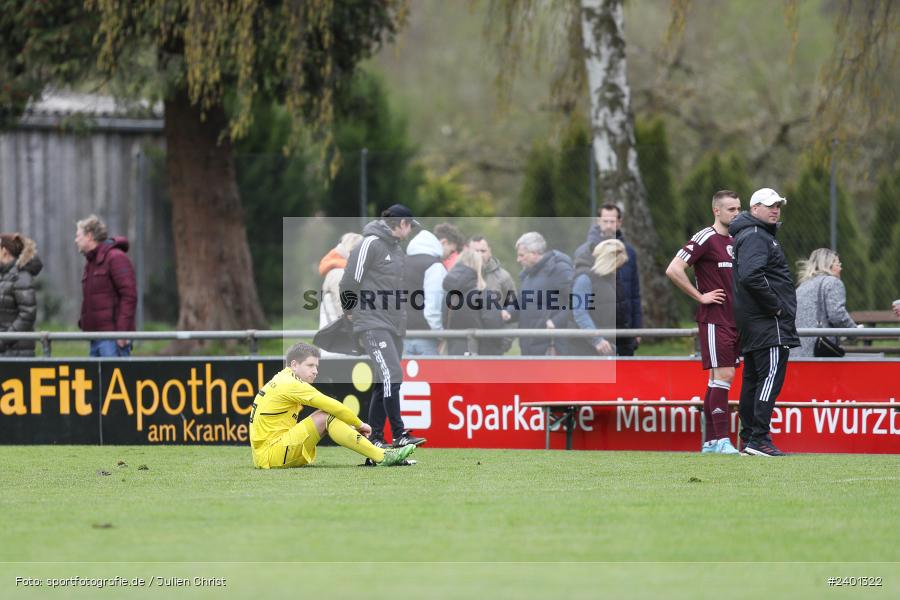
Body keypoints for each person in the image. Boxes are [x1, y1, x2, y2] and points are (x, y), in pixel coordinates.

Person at [340, 204, 426, 449]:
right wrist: (349, 311)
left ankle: (375, 437)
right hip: (371, 321)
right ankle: (399, 433)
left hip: (393, 325)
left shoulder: (397, 250)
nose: (410, 231)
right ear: (400, 224)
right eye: (409, 225)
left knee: (383, 379)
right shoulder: (370, 244)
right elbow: (349, 280)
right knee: (392, 373)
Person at [249, 342, 415, 469]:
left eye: (316, 366)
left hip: (266, 455)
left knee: (326, 416)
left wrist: (350, 425)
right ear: (294, 365)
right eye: (310, 365)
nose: (315, 371)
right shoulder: (291, 384)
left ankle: (378, 454)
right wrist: (360, 424)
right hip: (271, 455)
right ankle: (381, 456)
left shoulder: (282, 378)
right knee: (325, 415)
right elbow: (332, 405)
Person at [666, 190, 743, 454]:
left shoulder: (737, 239)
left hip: (736, 320)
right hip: (715, 319)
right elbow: (674, 269)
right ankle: (722, 440)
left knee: (717, 380)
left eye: (738, 209)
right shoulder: (705, 238)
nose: (736, 214)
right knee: (725, 375)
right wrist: (700, 296)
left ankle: (711, 442)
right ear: (716, 211)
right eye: (731, 209)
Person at [729, 188, 800, 457]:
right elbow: (751, 277)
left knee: (753, 380)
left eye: (778, 205)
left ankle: (749, 439)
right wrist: (777, 307)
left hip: (756, 322)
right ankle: (759, 439)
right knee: (769, 378)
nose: (775, 210)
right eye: (770, 205)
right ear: (754, 208)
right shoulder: (758, 236)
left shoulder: (752, 234)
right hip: (769, 323)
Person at [576, 204, 642, 354]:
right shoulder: (585, 255)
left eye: (612, 221)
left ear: (619, 222)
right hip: (600, 332)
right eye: (605, 221)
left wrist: (636, 327)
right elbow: (580, 310)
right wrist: (596, 338)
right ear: (598, 221)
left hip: (622, 327)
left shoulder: (629, 252)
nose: (608, 225)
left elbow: (634, 294)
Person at [75, 215, 137, 357]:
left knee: (114, 379)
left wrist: (122, 332)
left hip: (113, 340)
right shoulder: (91, 263)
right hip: (96, 338)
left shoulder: (115, 257)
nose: (76, 240)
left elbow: (129, 295)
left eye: (78, 236)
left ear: (89, 236)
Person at [502, 232, 573, 356]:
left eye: (521, 255)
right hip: (528, 347)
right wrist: (509, 311)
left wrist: (556, 322)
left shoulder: (560, 270)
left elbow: (578, 303)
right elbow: (522, 301)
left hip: (552, 347)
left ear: (534, 253)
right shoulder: (527, 274)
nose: (518, 260)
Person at [570, 239, 635, 357]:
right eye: (616, 265)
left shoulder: (609, 277)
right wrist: (597, 339)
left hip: (613, 344)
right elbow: (580, 313)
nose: (617, 270)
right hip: (592, 349)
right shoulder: (584, 279)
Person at [792, 248, 857, 357]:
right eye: (838, 264)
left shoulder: (802, 287)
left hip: (797, 354)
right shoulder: (832, 282)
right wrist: (854, 331)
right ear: (828, 265)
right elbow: (837, 315)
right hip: (819, 353)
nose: (841, 268)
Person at [442, 248, 505, 355]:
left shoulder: (449, 295)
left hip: (454, 352)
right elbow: (494, 326)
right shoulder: (485, 294)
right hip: (482, 354)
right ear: (478, 267)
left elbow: (444, 321)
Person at [402, 229, 447, 356]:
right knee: (430, 375)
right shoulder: (434, 266)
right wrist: (440, 333)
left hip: (401, 335)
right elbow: (433, 307)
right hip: (426, 336)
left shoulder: (400, 262)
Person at [469, 235, 516, 354]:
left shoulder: (504, 278)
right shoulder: (460, 277)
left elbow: (514, 309)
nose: (479, 254)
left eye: (483, 251)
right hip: (466, 345)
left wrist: (505, 341)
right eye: (476, 251)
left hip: (493, 346)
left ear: (490, 251)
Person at [0, 233, 43, 357]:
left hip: (16, 353)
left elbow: (27, 314)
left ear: (4, 251)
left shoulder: (21, 276)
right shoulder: (5, 276)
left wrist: (3, 340)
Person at [318, 233, 363, 328]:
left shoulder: (342, 269)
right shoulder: (339, 272)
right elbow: (343, 302)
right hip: (339, 330)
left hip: (337, 327)